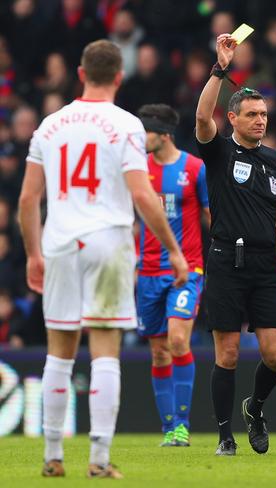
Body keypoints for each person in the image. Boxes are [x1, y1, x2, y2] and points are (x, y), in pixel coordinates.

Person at [18, 40, 188, 479]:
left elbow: (28, 198)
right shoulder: (127, 125)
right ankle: (97, 459)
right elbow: (140, 193)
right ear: (118, 76)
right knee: (106, 352)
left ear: (79, 73)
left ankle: (53, 456)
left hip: (59, 242)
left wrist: (33, 253)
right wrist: (172, 248)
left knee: (59, 353)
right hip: (108, 242)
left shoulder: (49, 126)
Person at [195, 34, 276, 457]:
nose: (261, 120)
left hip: (266, 264)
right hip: (226, 260)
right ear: (234, 118)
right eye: (252, 114)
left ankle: (255, 408)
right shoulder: (218, 152)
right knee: (228, 353)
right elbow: (203, 117)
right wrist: (220, 70)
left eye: (264, 113)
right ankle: (225, 436)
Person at [135, 103, 210, 448]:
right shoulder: (137, 170)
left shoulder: (194, 169)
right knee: (159, 353)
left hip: (186, 269)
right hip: (147, 271)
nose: (140, 137)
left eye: (145, 131)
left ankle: (182, 424)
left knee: (178, 341)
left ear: (163, 135)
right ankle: (169, 428)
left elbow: (210, 216)